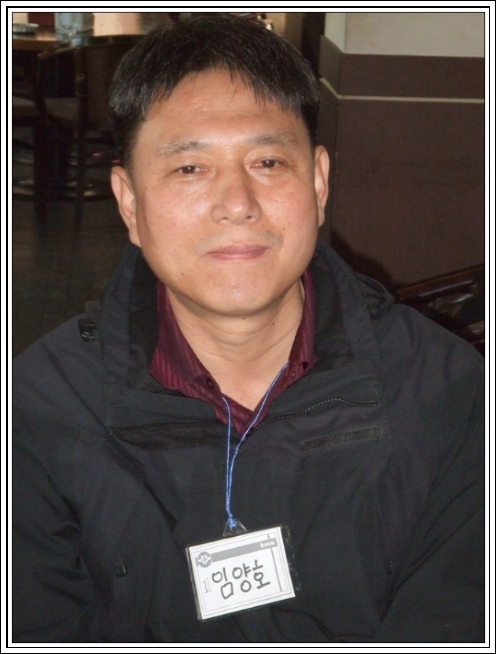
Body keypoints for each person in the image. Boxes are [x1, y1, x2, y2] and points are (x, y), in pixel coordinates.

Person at [13, 15, 484, 643]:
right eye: (190, 168)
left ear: (318, 182)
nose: (237, 202)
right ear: (129, 203)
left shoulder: (450, 393)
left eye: (267, 161)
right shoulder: (39, 408)